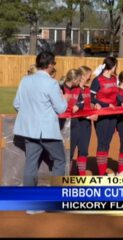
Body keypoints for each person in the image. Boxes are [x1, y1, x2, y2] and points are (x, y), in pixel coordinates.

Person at [13, 51, 67, 187]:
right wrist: (65, 99)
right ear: (49, 65)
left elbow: (16, 104)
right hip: (47, 131)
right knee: (60, 161)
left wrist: (31, 115)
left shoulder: (25, 80)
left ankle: (30, 200)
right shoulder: (52, 83)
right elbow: (61, 108)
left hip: (29, 130)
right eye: (53, 63)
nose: (54, 66)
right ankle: (55, 197)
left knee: (31, 163)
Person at [90, 56, 119, 176]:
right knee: (102, 142)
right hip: (102, 114)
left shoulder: (114, 79)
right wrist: (105, 104)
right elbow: (92, 97)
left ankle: (103, 169)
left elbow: (117, 95)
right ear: (111, 66)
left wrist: (122, 102)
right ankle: (101, 173)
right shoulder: (97, 80)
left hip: (113, 114)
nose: (116, 68)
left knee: (107, 142)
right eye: (115, 65)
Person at [71, 66, 93, 176]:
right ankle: (67, 174)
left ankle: (81, 175)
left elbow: (91, 104)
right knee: (70, 150)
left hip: (86, 124)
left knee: (83, 150)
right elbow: (72, 108)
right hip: (75, 123)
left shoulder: (87, 89)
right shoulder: (74, 89)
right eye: (89, 75)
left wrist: (95, 112)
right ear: (83, 76)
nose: (90, 77)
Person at [61, 69, 84, 172]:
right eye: (79, 80)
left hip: (74, 122)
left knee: (71, 151)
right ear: (74, 79)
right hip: (61, 123)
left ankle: (67, 174)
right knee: (61, 150)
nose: (80, 82)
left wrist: (78, 106)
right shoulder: (60, 88)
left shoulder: (78, 89)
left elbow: (81, 102)